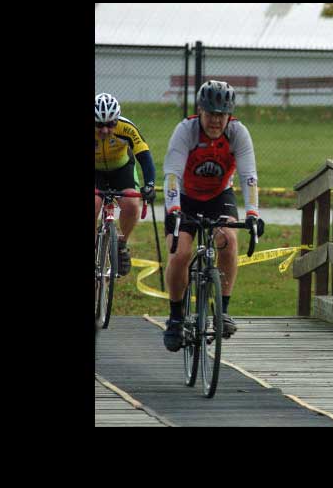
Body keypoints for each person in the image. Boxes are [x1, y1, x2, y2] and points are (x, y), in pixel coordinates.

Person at [161, 80, 262, 352]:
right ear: (200, 110)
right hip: (183, 196)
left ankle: (223, 310)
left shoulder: (238, 133)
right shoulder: (186, 131)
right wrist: (173, 211)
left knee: (228, 239)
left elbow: (249, 176)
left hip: (219, 195)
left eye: (221, 114)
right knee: (180, 253)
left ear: (229, 115)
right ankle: (175, 317)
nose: (215, 120)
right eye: (210, 113)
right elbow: (171, 174)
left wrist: (252, 213)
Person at [95, 93, 157, 276]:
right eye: (99, 125)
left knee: (131, 204)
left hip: (122, 169)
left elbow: (145, 158)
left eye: (110, 124)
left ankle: (121, 244)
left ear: (117, 120)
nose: (105, 130)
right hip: (96, 171)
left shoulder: (127, 128)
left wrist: (150, 185)